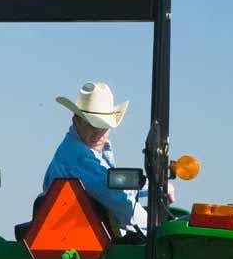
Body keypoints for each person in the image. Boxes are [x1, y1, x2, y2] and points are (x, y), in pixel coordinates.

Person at [42, 81, 173, 235]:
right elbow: (122, 203)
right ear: (76, 121)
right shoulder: (79, 157)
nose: (98, 133)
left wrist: (157, 185)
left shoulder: (83, 152)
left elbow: (115, 182)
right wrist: (161, 232)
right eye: (91, 124)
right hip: (76, 244)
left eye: (103, 126)